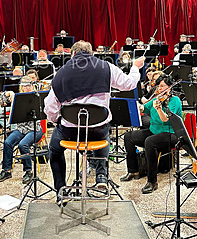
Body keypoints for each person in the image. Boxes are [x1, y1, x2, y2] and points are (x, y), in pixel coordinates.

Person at [44, 41, 144, 201]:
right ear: (91, 54)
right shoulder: (106, 67)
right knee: (104, 131)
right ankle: (101, 176)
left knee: (55, 151)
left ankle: (61, 191)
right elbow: (129, 84)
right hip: (98, 129)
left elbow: (49, 107)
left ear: (72, 55)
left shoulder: (61, 72)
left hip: (70, 131)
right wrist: (135, 68)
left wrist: (57, 121)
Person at [121, 76, 182, 193]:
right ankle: (133, 171)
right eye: (158, 86)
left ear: (169, 87)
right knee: (128, 136)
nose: (160, 88)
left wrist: (159, 109)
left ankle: (152, 181)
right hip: (154, 131)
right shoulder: (157, 98)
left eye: (163, 86)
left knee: (150, 142)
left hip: (170, 134)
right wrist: (135, 105)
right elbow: (144, 107)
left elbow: (166, 120)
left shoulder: (175, 101)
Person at [0, 76, 43, 185]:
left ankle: (28, 171)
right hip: (21, 129)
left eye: (28, 85)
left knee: (23, 145)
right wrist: (7, 94)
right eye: (24, 86)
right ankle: (7, 170)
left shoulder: (37, 96)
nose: (26, 88)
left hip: (35, 129)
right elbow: (1, 101)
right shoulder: (18, 97)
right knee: (7, 142)